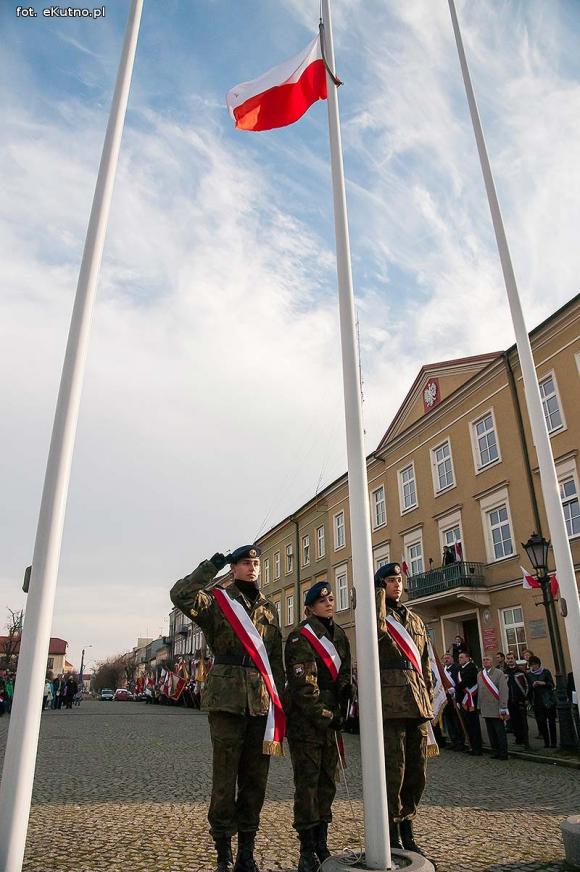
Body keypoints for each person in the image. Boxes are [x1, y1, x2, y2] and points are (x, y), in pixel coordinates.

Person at [170, 545, 284, 872]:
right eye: (246, 563)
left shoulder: (269, 609)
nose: (252, 568)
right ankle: (224, 852)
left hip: (261, 702)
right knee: (224, 778)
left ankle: (246, 852)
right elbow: (180, 595)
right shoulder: (218, 600)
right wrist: (209, 568)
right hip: (227, 699)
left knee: (255, 780)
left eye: (256, 563)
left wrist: (281, 699)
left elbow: (275, 659)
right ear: (234, 568)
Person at [285, 581, 351, 871]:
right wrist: (326, 715)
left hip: (332, 720)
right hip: (307, 724)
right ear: (310, 607)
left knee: (327, 783)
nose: (329, 603)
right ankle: (307, 848)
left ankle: (322, 842)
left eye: (331, 598)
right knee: (308, 785)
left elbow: (345, 671)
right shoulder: (301, 637)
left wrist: (347, 695)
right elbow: (303, 687)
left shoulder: (340, 635)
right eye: (322, 600)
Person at [375, 562, 433, 857]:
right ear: (381, 585)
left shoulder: (416, 621)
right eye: (390, 581)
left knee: (416, 771)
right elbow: (375, 628)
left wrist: (429, 696)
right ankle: (392, 830)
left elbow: (425, 663)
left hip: (417, 704)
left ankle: (408, 826)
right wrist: (377, 597)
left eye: (399, 580)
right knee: (393, 772)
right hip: (391, 705)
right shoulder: (378, 617)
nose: (397, 584)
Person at [477, 655, 509, 759]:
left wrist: (503, 706)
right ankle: (495, 751)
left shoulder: (499, 673)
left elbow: (503, 690)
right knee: (491, 733)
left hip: (496, 707)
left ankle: (503, 753)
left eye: (488, 660)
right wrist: (479, 706)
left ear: (492, 662)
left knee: (500, 732)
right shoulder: (480, 674)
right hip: (485, 708)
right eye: (484, 660)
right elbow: (480, 691)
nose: (485, 661)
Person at [527, 655, 557, 748]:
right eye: (532, 665)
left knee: (551, 722)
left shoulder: (545, 672)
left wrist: (543, 683)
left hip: (547, 699)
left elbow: (551, 684)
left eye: (535, 664)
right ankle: (546, 742)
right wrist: (533, 686)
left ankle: (554, 742)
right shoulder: (529, 674)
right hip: (537, 700)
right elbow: (529, 688)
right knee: (541, 722)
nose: (534, 666)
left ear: (539, 664)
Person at [456, 651, 482, 755]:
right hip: (463, 700)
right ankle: (471, 746)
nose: (460, 659)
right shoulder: (460, 669)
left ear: (467, 658)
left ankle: (477, 747)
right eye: (459, 657)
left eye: (461, 657)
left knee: (473, 724)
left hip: (471, 699)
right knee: (467, 724)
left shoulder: (471, 668)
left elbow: (466, 681)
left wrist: (456, 688)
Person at [505, 652, 530, 748]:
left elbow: (527, 685)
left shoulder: (521, 671)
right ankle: (518, 738)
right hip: (509, 700)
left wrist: (526, 697)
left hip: (520, 700)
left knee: (522, 721)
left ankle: (525, 740)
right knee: (514, 721)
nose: (510, 660)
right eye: (508, 658)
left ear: (514, 659)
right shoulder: (504, 672)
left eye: (511, 658)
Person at [442, 652, 465, 751]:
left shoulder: (457, 668)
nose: (446, 660)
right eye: (445, 658)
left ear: (452, 658)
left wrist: (455, 690)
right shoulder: (443, 670)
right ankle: (453, 741)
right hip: (446, 699)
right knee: (449, 721)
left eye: (448, 658)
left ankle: (460, 742)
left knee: (457, 721)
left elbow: (459, 681)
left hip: (455, 698)